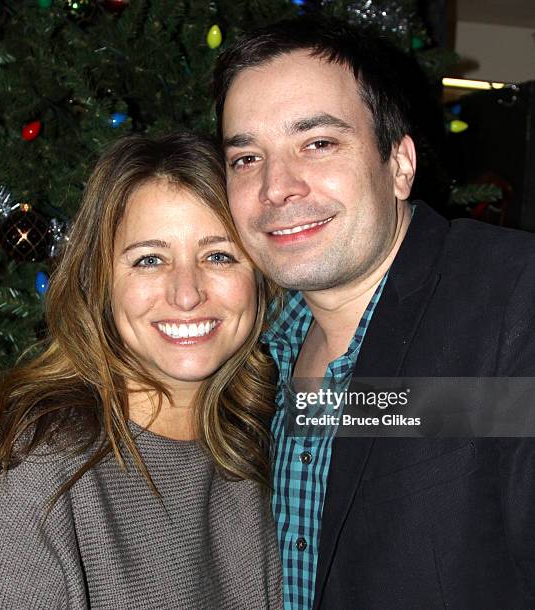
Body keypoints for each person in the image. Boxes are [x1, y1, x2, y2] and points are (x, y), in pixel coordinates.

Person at [213, 15, 535, 610]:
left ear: (400, 164)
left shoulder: (513, 299)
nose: (276, 187)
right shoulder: (240, 354)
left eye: (318, 143)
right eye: (246, 158)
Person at [0, 133, 283, 609]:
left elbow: (412, 411)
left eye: (218, 255)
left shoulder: (270, 440)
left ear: (260, 276)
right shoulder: (36, 474)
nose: (187, 293)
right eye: (149, 260)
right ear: (101, 284)